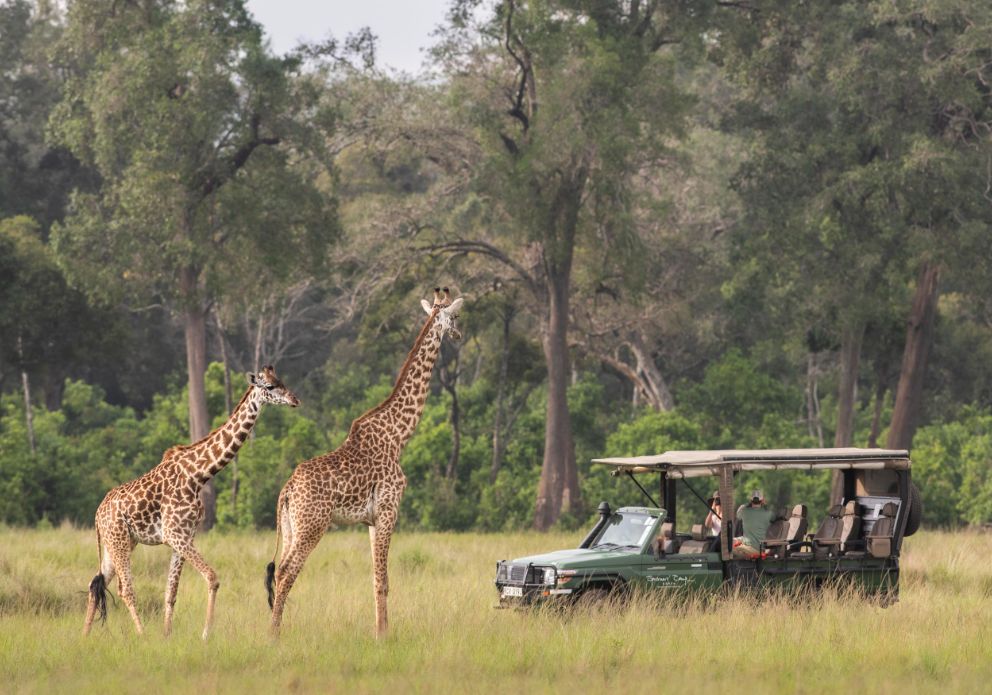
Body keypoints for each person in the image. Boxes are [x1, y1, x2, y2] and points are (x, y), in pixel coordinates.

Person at [733, 489, 775, 558]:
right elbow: (774, 517)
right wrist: (765, 505)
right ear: (762, 500)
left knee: (727, 548)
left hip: (750, 548)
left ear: (751, 500)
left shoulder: (744, 511)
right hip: (759, 548)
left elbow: (738, 515)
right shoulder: (768, 513)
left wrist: (747, 504)